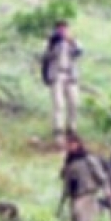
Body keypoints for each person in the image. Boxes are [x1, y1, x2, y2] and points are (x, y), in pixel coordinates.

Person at [59, 132, 109, 221]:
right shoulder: (69, 160)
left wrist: (106, 189)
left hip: (87, 192)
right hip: (74, 193)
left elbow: (100, 175)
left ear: (78, 144)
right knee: (75, 219)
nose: (70, 147)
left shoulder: (88, 159)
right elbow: (65, 175)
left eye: (72, 144)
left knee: (82, 216)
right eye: (68, 145)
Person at [41, 20, 82, 149]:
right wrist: (53, 44)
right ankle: (58, 132)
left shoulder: (73, 41)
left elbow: (80, 51)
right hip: (57, 75)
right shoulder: (52, 42)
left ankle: (72, 129)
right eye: (60, 28)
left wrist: (70, 40)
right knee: (59, 105)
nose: (62, 31)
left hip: (70, 76)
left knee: (74, 103)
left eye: (64, 28)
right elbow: (45, 57)